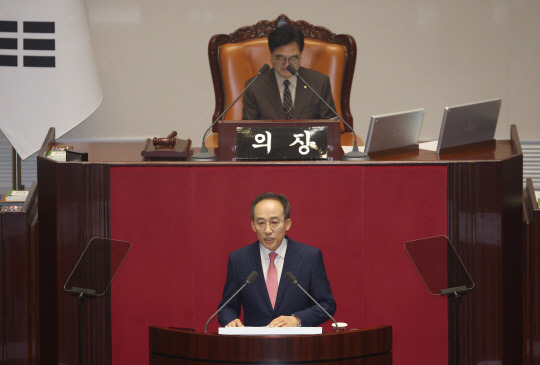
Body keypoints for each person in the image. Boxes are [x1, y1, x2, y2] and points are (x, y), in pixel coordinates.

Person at [217, 192, 336, 327]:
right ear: (253, 225)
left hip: (299, 344)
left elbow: (327, 304)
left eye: (274, 222)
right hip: (254, 344)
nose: (267, 230)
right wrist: (230, 321)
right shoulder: (239, 259)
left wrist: (297, 319)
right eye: (261, 223)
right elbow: (227, 307)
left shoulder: (309, 257)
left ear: (287, 224)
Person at [242, 24, 337, 121]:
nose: (287, 65)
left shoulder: (319, 83)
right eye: (280, 58)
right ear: (271, 56)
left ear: (301, 55)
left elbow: (331, 127)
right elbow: (247, 130)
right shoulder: (254, 87)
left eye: (293, 58)